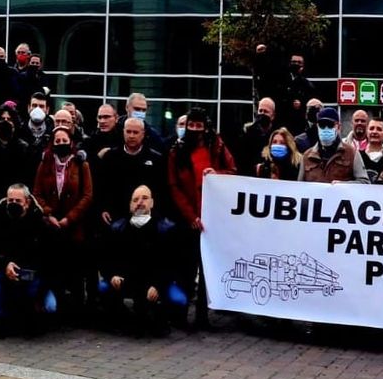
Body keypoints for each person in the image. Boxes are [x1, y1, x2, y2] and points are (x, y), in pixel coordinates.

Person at [166, 106, 236, 330]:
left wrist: (217, 174)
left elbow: (233, 171)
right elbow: (174, 186)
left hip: (213, 218)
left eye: (199, 125)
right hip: (188, 218)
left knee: (208, 270)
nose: (195, 129)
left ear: (206, 127)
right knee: (185, 269)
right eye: (191, 125)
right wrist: (190, 216)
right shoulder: (177, 151)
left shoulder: (217, 146)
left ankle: (202, 315)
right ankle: (180, 314)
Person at [101, 186, 186, 337]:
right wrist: (112, 275)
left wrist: (158, 286)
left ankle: (160, 318)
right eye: (135, 200)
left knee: (178, 299)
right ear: (130, 205)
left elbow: (172, 264)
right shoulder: (117, 228)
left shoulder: (166, 229)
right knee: (103, 287)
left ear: (152, 203)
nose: (140, 202)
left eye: (144, 198)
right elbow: (106, 259)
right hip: (127, 280)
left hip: (153, 282)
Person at [0, 184, 56, 339]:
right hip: (2, 269)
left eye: (18, 201)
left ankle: (29, 317)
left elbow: (49, 259)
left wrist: (28, 272)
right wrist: (5, 263)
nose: (13, 204)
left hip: (31, 273)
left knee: (50, 306)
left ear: (27, 202)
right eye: (10, 200)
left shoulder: (39, 222)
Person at [33, 126, 95, 315]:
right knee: (53, 266)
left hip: (73, 226)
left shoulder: (81, 164)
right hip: (50, 226)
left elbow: (87, 195)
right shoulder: (44, 164)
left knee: (75, 269)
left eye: (64, 140)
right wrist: (47, 213)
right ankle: (55, 305)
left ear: (71, 142)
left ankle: (76, 309)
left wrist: (70, 218)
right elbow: (36, 193)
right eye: (57, 141)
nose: (61, 144)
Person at [97, 117, 168, 226]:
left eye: (135, 132)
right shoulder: (110, 157)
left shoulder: (156, 159)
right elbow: (102, 186)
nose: (131, 136)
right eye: (128, 132)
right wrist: (103, 208)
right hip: (116, 216)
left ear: (143, 134)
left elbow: (161, 190)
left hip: (147, 217)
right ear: (123, 132)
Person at [300, 107, 369, 183]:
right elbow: (299, 186)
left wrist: (344, 185)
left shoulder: (351, 153)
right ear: (317, 127)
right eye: (322, 125)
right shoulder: (307, 157)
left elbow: (364, 182)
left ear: (338, 127)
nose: (326, 129)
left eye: (330, 125)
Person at [233, 98, 277, 178]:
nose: (262, 114)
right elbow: (241, 161)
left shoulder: (277, 135)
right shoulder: (247, 134)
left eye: (266, 111)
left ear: (273, 116)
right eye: (260, 111)